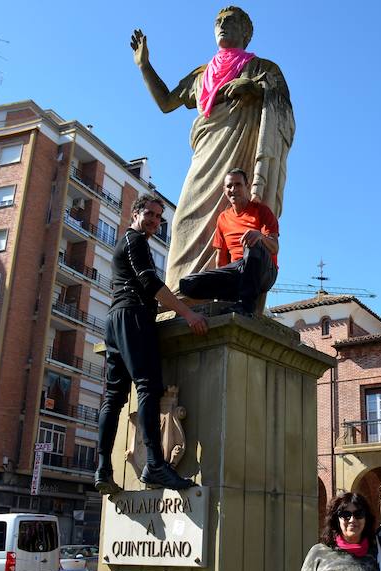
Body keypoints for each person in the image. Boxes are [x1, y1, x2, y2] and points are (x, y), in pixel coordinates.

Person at [130, 6, 294, 286]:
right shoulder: (202, 74)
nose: (221, 25)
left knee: (237, 223)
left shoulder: (262, 69)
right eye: (218, 22)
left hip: (240, 153)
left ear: (246, 31)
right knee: (183, 220)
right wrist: (144, 65)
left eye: (229, 21)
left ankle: (226, 287)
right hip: (206, 154)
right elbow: (167, 102)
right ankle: (180, 292)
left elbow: (284, 113)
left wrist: (256, 89)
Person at [94, 196, 209, 495]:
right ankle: (155, 464)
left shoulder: (127, 243)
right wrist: (187, 312)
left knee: (115, 397)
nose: (154, 221)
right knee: (148, 387)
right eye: (149, 214)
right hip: (132, 316)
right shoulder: (135, 241)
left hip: (114, 321)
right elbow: (149, 282)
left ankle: (103, 468)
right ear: (135, 213)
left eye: (159, 218)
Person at [178, 168, 278, 315]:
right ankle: (231, 299)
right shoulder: (223, 218)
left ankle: (246, 306)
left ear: (247, 187)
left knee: (252, 241)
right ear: (224, 190)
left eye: (238, 185)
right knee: (187, 284)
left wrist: (260, 236)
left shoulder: (262, 211)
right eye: (229, 186)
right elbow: (221, 259)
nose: (233, 189)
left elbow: (275, 248)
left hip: (264, 270)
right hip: (237, 270)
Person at [296, 492, 380, 571]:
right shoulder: (318, 553)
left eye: (358, 514)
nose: (352, 520)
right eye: (345, 515)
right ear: (336, 519)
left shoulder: (377, 553)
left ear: (366, 518)